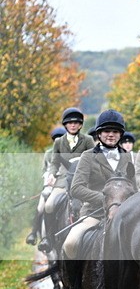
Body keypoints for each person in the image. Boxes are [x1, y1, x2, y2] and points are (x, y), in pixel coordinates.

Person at [62, 110, 136, 289]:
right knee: (71, 242)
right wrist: (106, 201)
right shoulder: (88, 156)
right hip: (94, 213)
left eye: (114, 132)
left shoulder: (127, 157)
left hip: (125, 215)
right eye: (106, 132)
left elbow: (133, 187)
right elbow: (76, 188)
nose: (110, 135)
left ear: (120, 134)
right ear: (99, 134)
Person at [39, 107, 96, 251]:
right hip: (63, 181)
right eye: (70, 123)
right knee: (49, 205)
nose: (73, 125)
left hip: (83, 180)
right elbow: (54, 163)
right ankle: (48, 238)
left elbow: (94, 159)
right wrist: (51, 174)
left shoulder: (88, 140)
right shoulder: (58, 142)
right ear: (65, 125)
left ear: (80, 125)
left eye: (76, 123)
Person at [26, 126, 67, 246]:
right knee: (41, 207)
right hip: (50, 186)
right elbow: (45, 170)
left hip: (64, 185)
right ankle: (34, 234)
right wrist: (48, 178)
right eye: (55, 139)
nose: (57, 141)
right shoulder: (48, 154)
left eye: (60, 138)